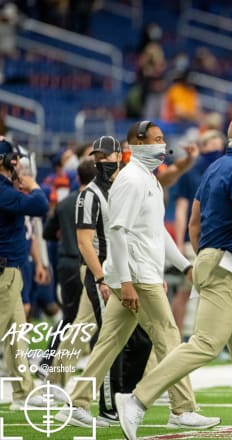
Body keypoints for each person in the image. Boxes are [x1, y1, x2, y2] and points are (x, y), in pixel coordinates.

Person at [116, 114, 232, 440]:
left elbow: (194, 220)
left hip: (215, 260)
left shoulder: (217, 167)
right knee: (206, 343)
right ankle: (136, 399)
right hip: (227, 266)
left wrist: (203, 255)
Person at [56, 123, 219, 432]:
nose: (163, 144)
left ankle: (76, 402)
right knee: (169, 337)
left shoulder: (148, 179)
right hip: (138, 276)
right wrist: (128, 281)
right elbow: (118, 231)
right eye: (157, 139)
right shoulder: (132, 180)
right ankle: (182, 409)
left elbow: (156, 232)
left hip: (131, 273)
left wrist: (184, 265)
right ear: (137, 142)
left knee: (109, 342)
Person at [73, 136, 152, 424]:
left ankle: (127, 395)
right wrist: (101, 277)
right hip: (104, 273)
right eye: (97, 157)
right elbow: (85, 242)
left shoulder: (125, 186)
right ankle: (107, 405)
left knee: (141, 340)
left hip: (129, 272)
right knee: (110, 340)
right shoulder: (89, 194)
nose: (102, 161)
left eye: (107, 156)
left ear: (120, 155)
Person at [0, 138, 48, 409]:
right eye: (13, 159)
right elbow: (40, 206)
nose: (18, 163)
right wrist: (34, 187)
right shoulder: (3, 191)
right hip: (4, 272)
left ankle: (22, 393)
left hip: (10, 271)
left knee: (16, 335)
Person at [41, 160, 97, 378]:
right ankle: (51, 361)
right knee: (84, 318)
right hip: (86, 262)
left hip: (66, 263)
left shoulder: (65, 203)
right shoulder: (96, 202)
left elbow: (47, 232)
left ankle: (50, 361)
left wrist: (63, 233)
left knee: (71, 315)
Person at [171, 129, 224, 333]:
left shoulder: (223, 172)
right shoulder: (190, 174)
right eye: (212, 145)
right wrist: (178, 242)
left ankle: (213, 336)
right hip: (192, 240)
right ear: (202, 147)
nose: (216, 150)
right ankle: (176, 335)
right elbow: (182, 209)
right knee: (186, 290)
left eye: (219, 145)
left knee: (217, 292)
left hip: (217, 241)